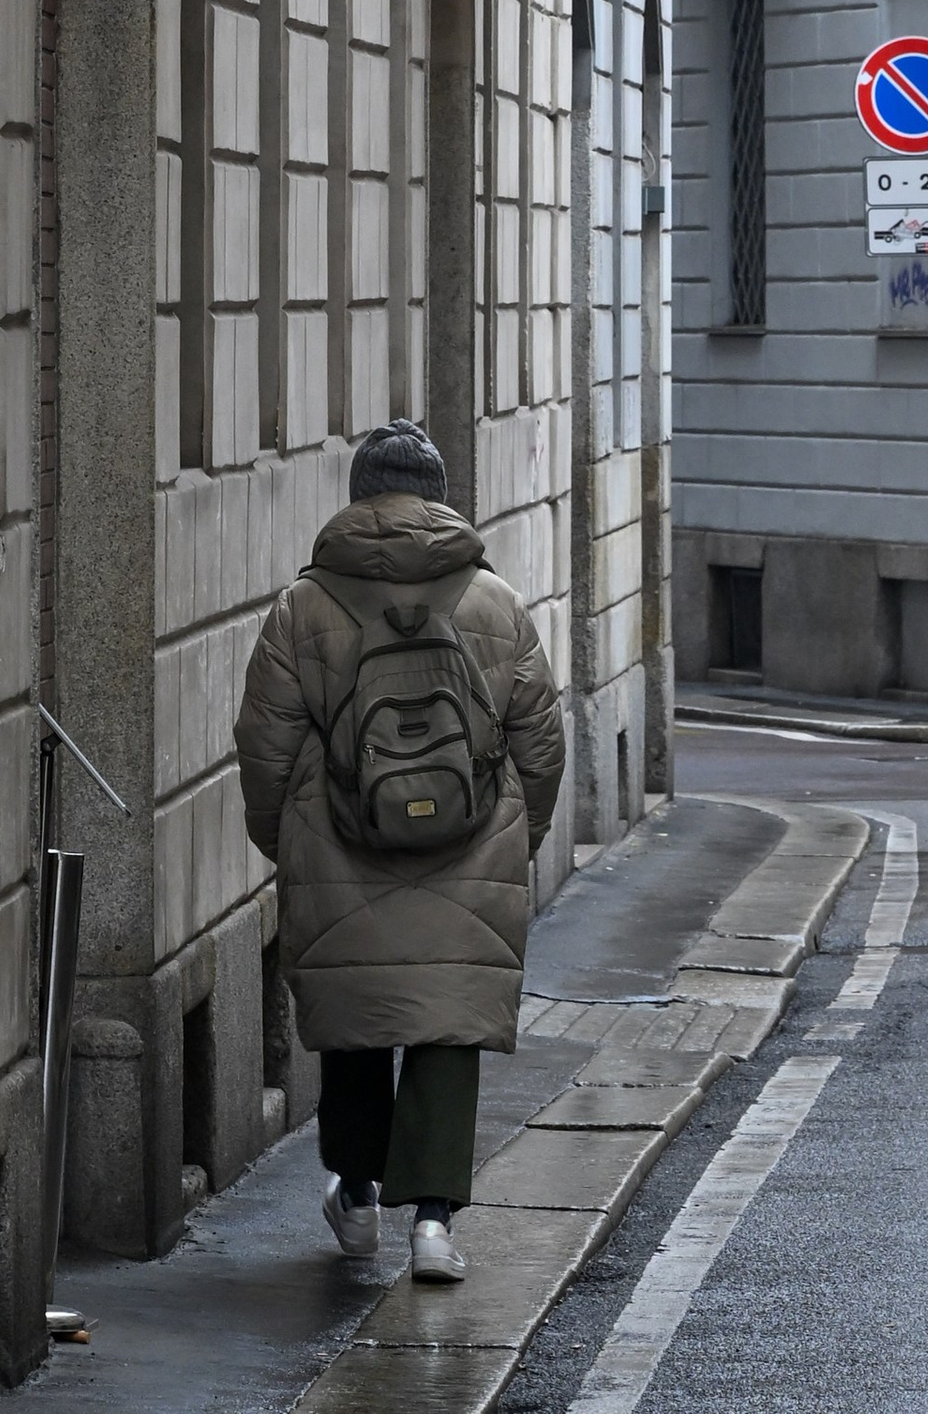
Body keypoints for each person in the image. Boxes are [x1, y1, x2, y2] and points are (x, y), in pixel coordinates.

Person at [235, 420, 565, 1285]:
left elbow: (264, 746)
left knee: (359, 1017)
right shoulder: (494, 602)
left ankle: (355, 1195)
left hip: (336, 847)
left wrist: (286, 843)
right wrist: (515, 842)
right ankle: (432, 1225)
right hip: (471, 850)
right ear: (439, 498)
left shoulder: (304, 606)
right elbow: (541, 743)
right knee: (446, 1028)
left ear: (359, 497)